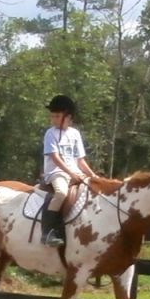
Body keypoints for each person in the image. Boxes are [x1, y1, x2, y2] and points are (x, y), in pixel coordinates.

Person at [40, 95, 99, 247]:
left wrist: (93, 176)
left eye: (57, 116)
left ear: (68, 117)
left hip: (75, 172)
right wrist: (71, 174)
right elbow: (55, 158)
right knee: (61, 193)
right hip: (56, 172)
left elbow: (80, 160)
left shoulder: (75, 134)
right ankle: (47, 232)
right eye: (52, 116)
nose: (53, 119)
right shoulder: (50, 133)